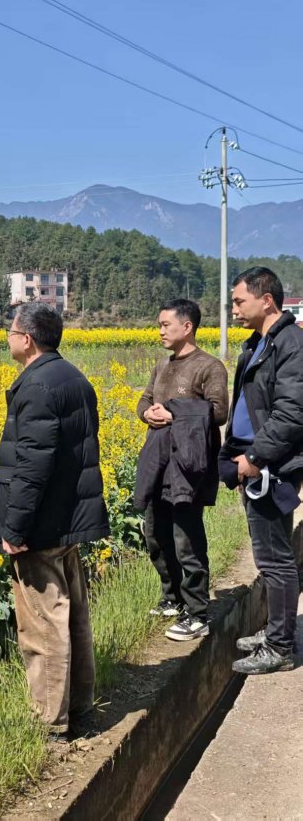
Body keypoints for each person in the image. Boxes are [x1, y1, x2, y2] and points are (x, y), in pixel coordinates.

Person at [0, 302, 110, 742]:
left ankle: (50, 722)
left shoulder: (36, 385)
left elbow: (32, 466)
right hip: (67, 517)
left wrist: (14, 529)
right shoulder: (73, 377)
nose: (8, 338)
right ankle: (80, 706)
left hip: (40, 525)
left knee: (41, 625)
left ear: (27, 339)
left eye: (10, 331)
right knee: (72, 617)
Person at [222, 267, 303, 675]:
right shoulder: (261, 342)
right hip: (256, 463)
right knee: (269, 554)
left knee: (275, 558)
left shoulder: (290, 344)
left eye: (239, 301)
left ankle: (280, 646)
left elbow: (292, 414)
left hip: (271, 466)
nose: (233, 308)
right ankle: (276, 631)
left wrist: (255, 457)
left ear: (266, 299)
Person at [135, 299, 229, 641]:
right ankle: (172, 597)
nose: (160, 331)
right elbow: (145, 400)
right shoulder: (162, 365)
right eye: (159, 325)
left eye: (165, 325)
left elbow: (218, 411)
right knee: (155, 534)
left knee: (186, 538)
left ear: (187, 326)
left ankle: (197, 613)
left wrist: (175, 413)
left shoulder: (209, 366)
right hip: (159, 459)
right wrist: (147, 413)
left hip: (188, 464)